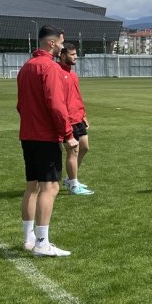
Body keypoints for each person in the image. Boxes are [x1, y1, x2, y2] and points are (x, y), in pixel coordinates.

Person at [17, 25, 78, 257]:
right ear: (52, 43)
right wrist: (68, 135)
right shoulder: (49, 68)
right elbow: (56, 105)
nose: (63, 46)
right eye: (61, 43)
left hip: (28, 135)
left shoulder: (26, 67)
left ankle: (29, 238)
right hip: (44, 136)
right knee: (50, 187)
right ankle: (42, 243)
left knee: (31, 186)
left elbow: (20, 105)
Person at [58, 42, 94, 195]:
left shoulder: (72, 73)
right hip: (67, 119)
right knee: (73, 151)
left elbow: (77, 96)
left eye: (75, 54)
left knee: (84, 147)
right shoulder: (57, 72)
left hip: (78, 117)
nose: (76, 57)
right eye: (72, 55)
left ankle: (70, 179)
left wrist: (83, 114)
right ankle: (73, 185)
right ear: (63, 55)